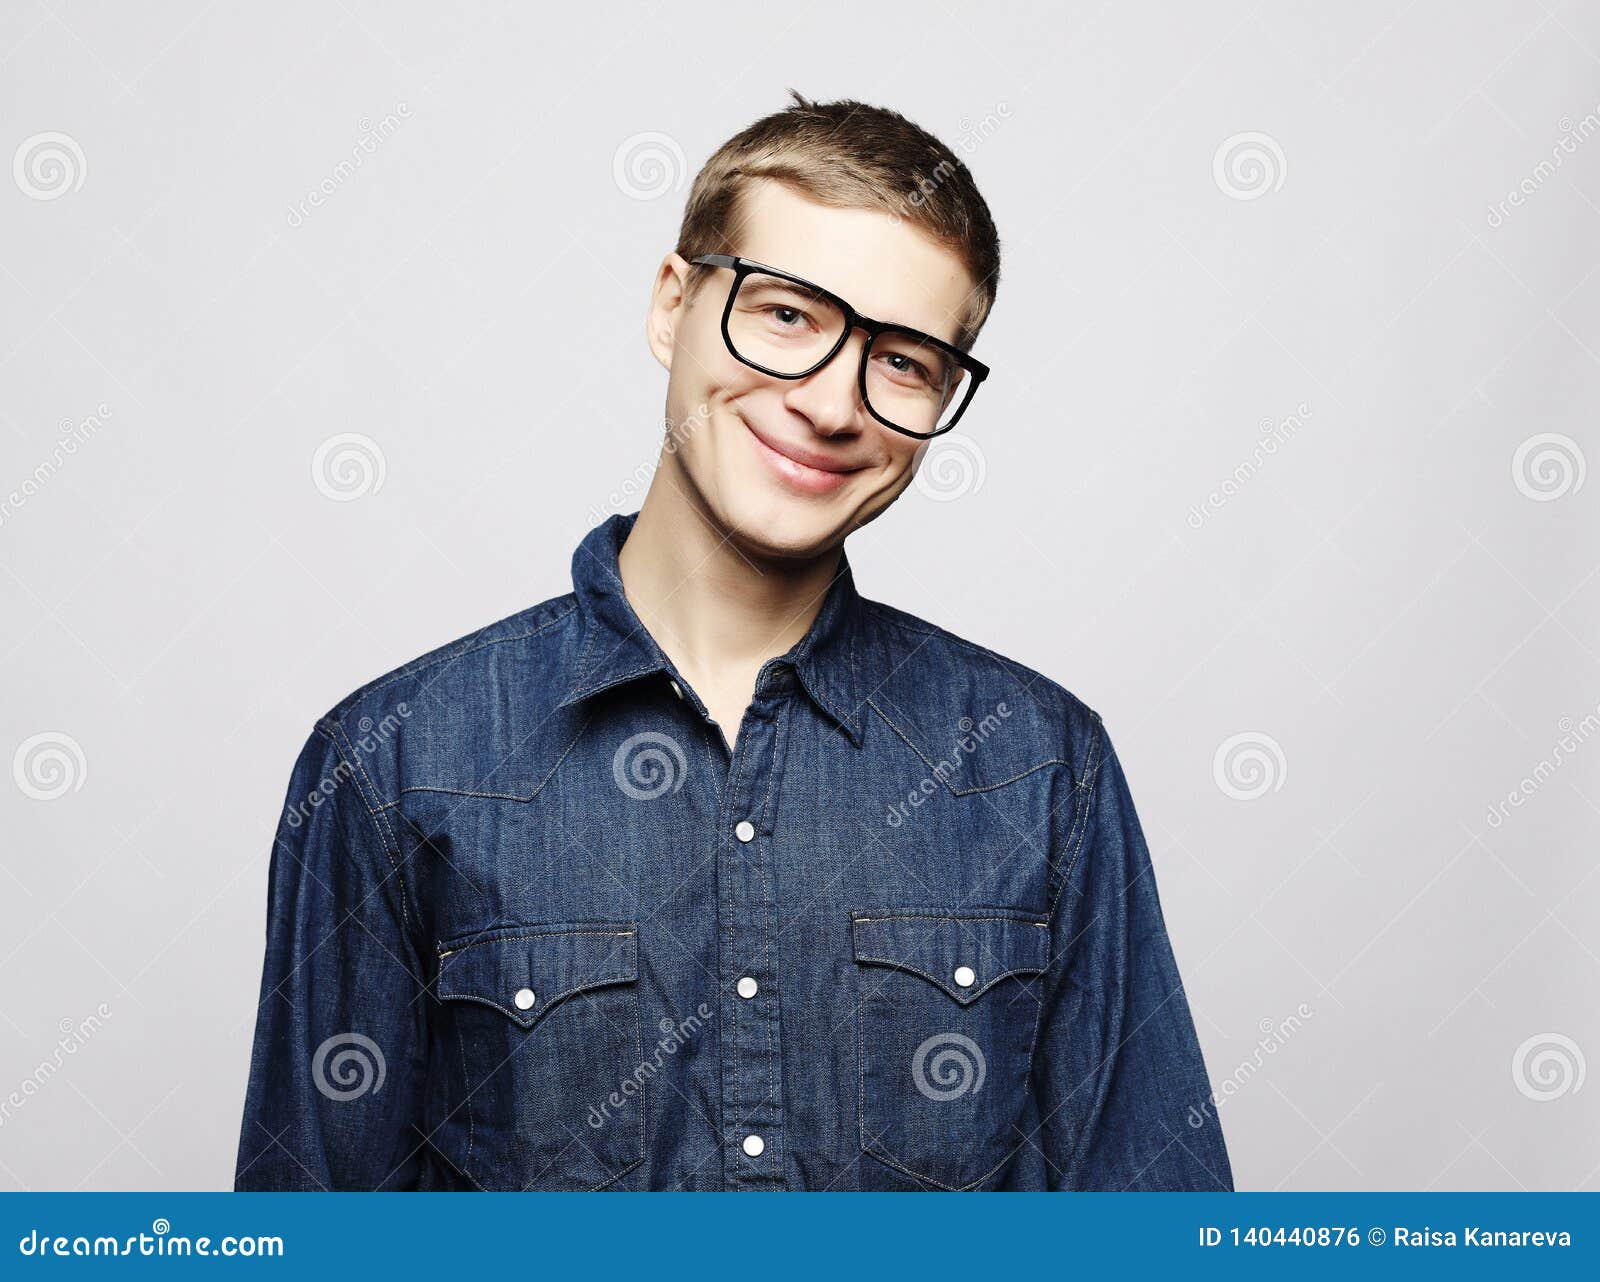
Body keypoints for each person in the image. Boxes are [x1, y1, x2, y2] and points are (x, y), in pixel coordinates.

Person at [235, 92, 1232, 1192]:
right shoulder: (395, 761)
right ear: (674, 305)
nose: (831, 404)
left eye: (903, 361)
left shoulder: (1041, 765)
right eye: (789, 316)